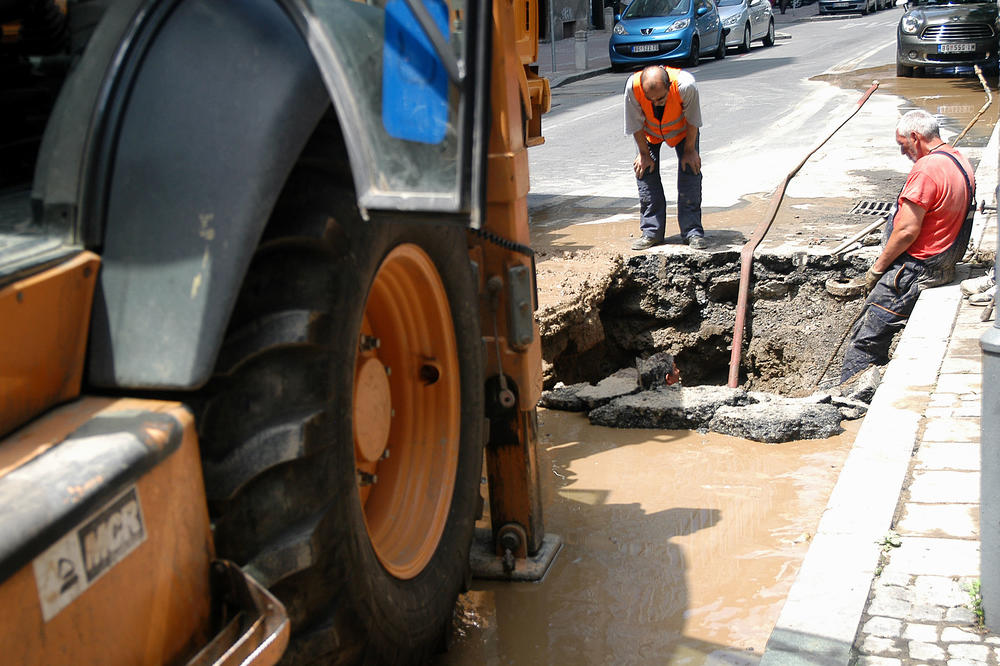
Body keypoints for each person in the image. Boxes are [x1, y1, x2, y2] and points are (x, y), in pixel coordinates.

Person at [840, 109, 975, 383]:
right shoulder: (958, 159)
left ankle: (849, 399)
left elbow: (906, 230)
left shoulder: (926, 171)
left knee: (864, 340)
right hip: (942, 263)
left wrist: (877, 270)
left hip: (915, 271)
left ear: (915, 137)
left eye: (903, 145)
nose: (903, 153)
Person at [624, 64, 707, 251]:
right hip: (649, 133)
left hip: (683, 133)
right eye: (650, 99)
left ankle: (692, 232)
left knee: (690, 172)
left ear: (669, 86)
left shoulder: (686, 85)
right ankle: (651, 233)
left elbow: (693, 120)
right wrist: (644, 154)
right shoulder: (633, 87)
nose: (655, 103)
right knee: (644, 173)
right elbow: (634, 124)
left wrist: (690, 151)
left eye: (660, 98)